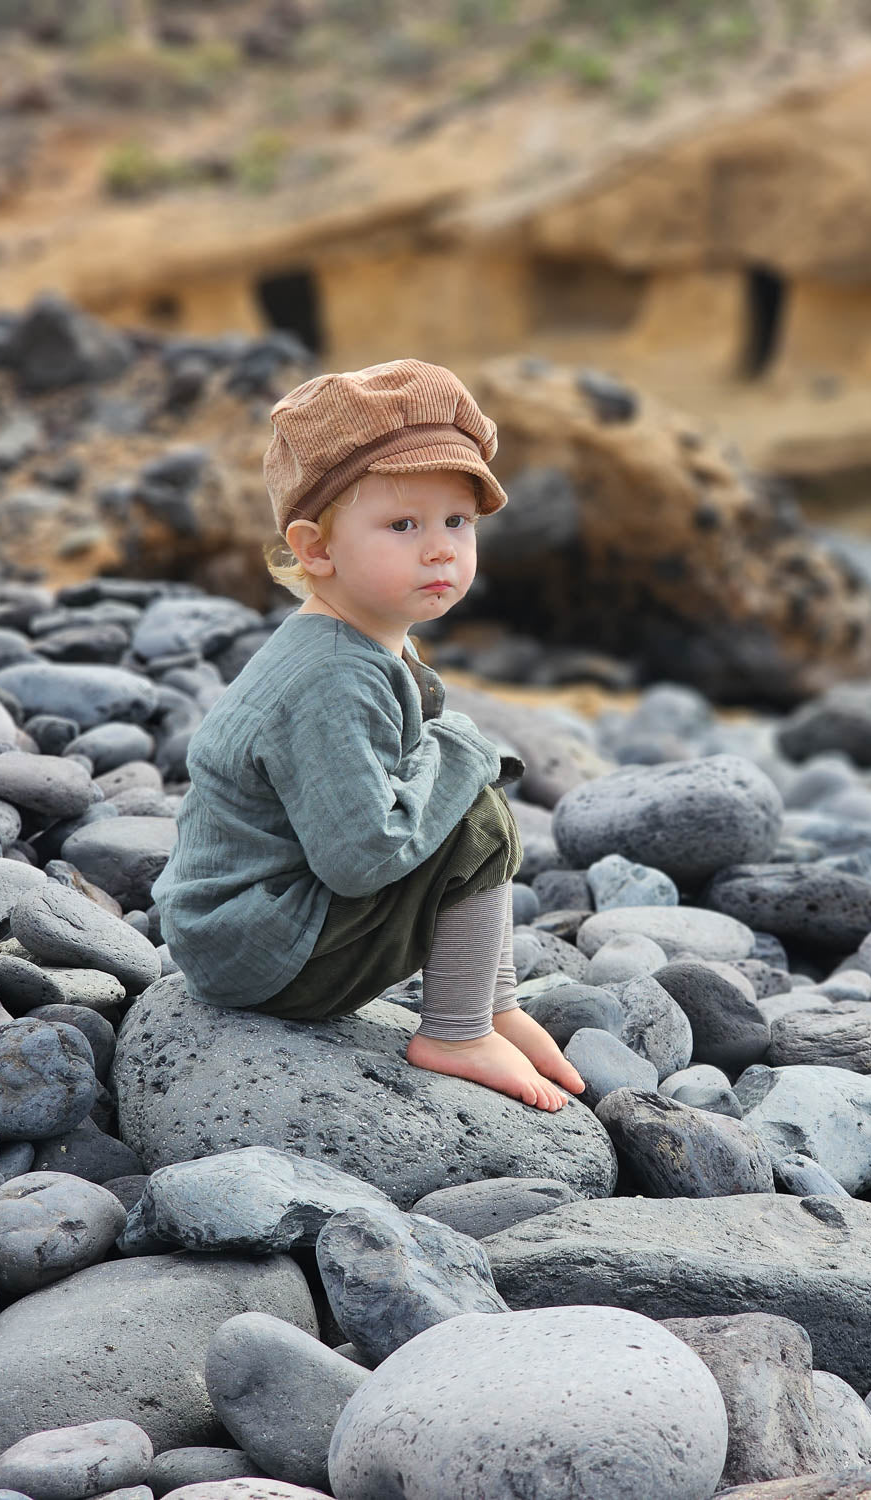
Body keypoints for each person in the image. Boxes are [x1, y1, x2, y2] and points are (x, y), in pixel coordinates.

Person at [151, 358, 585, 1112]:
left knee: (464, 794)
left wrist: (451, 757)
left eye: (457, 522)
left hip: (253, 927)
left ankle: (489, 1002)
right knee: (473, 813)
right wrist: (460, 754)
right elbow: (361, 859)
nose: (441, 548)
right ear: (316, 548)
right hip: (260, 951)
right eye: (402, 524)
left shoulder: (369, 639)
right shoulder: (332, 677)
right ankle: (453, 1030)